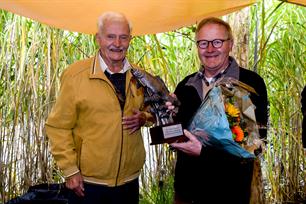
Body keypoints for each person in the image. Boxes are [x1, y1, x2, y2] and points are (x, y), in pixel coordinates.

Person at [45, 11, 154, 204]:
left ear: (130, 39)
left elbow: (155, 111)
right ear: (98, 38)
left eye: (123, 37)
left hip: (129, 182)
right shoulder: (75, 75)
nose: (117, 44)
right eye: (110, 36)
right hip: (88, 184)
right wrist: (70, 170)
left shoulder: (140, 76)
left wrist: (144, 117)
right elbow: (58, 127)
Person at [168, 17, 268, 204]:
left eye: (217, 42)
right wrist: (168, 115)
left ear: (230, 44)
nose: (210, 49)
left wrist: (203, 153)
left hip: (229, 192)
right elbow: (177, 135)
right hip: (186, 192)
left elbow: (255, 146)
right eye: (203, 43)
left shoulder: (249, 83)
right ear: (197, 47)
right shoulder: (186, 85)